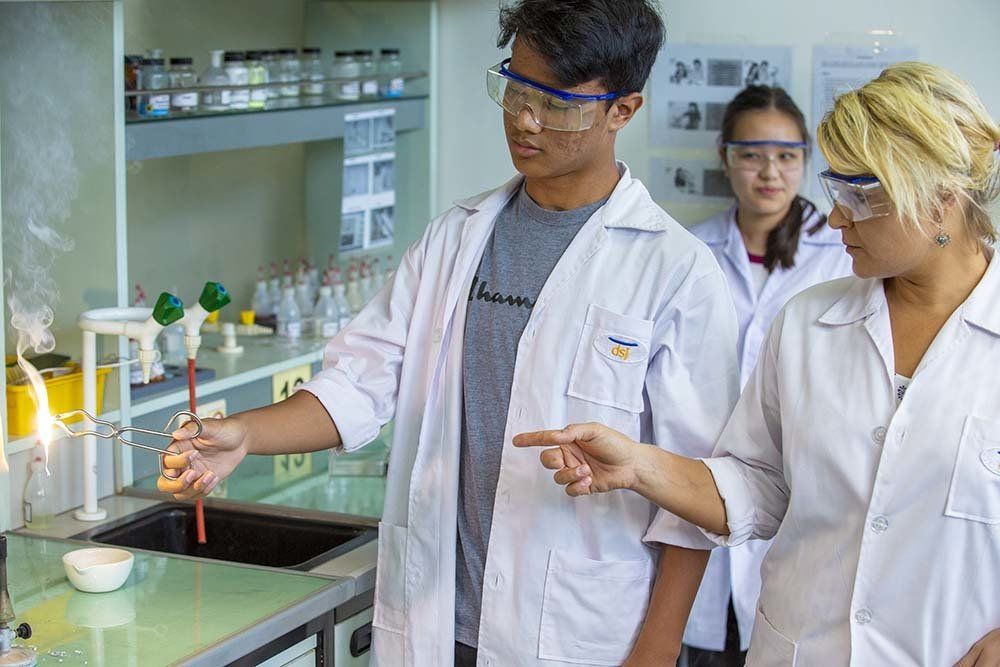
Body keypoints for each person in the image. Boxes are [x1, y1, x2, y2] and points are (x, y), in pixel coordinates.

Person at [159, 2, 741, 666]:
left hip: (581, 637)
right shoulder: (456, 239)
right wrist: (247, 434)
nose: (525, 119)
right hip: (438, 623)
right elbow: (360, 379)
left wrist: (657, 650)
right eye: (516, 87)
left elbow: (693, 493)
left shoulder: (674, 271)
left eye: (556, 104)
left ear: (623, 110)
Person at [515, 61, 1000, 666]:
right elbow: (758, 485)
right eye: (836, 189)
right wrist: (638, 465)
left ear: (940, 200)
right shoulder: (808, 325)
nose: (839, 216)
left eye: (861, 194)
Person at [683, 85, 853, 666]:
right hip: (702, 501)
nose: (770, 172)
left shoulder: (848, 255)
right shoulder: (691, 254)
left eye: (786, 156)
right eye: (752, 154)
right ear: (725, 156)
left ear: (807, 159)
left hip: (805, 506)